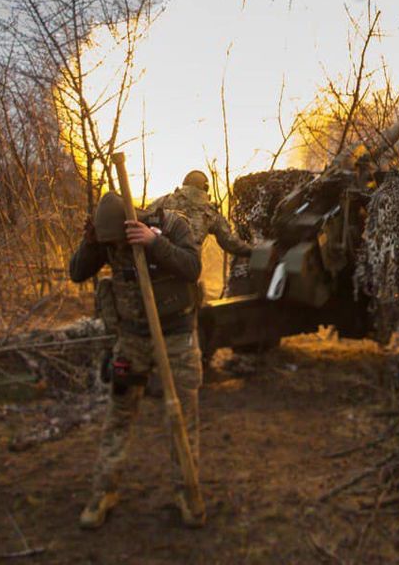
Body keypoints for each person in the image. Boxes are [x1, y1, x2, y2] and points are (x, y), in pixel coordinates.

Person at [70, 192, 204, 530]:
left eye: (119, 241)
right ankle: (104, 492)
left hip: (176, 335)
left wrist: (154, 244)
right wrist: (90, 244)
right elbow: (77, 273)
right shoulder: (108, 237)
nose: (116, 248)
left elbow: (192, 268)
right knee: (119, 414)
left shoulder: (172, 225)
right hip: (132, 339)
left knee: (182, 417)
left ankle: (188, 492)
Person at [146, 170, 254, 258]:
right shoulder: (210, 212)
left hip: (157, 259)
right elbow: (230, 242)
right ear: (206, 188)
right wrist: (253, 252)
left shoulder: (164, 200)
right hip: (186, 265)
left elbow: (144, 217)